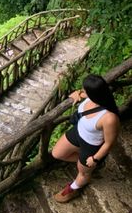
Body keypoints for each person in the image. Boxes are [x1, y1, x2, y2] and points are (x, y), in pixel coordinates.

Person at [51, 74, 120, 203]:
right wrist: (77, 95)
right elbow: (79, 94)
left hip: (92, 145)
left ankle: (74, 188)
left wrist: (95, 158)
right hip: (78, 132)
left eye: (84, 90)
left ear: (94, 93)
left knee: (83, 173)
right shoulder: (90, 97)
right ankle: (85, 165)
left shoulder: (109, 118)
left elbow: (110, 143)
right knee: (57, 153)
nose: (82, 91)